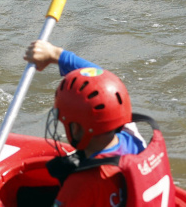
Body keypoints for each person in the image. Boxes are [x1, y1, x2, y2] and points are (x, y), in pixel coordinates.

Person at [26, 40, 176, 207]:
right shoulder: (134, 138)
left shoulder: (82, 184)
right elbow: (102, 83)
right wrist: (57, 56)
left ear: (75, 129)